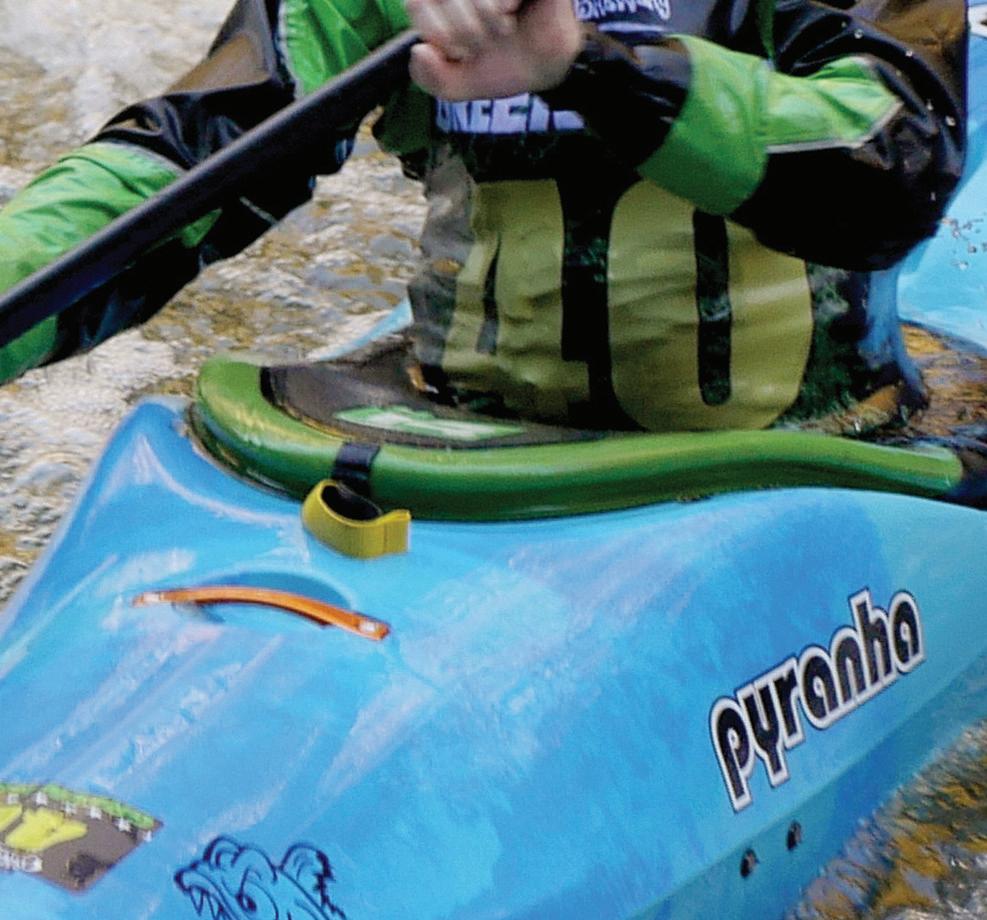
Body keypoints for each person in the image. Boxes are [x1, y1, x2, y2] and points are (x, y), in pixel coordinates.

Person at [0, 0, 968, 434]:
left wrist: (589, 68)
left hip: (812, 440)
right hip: (467, 435)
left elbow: (896, 168)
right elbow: (190, 152)